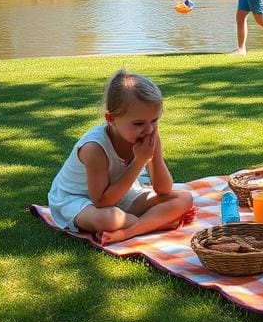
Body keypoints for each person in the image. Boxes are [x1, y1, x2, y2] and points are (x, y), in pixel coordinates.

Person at [48, 71, 195, 245]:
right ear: (111, 119)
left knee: (184, 198)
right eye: (139, 123)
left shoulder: (149, 136)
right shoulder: (94, 148)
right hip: (79, 200)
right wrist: (139, 162)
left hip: (121, 194)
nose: (149, 129)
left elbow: (163, 189)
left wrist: (153, 156)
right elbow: (102, 201)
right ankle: (159, 222)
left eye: (154, 121)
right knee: (108, 219)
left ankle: (128, 232)